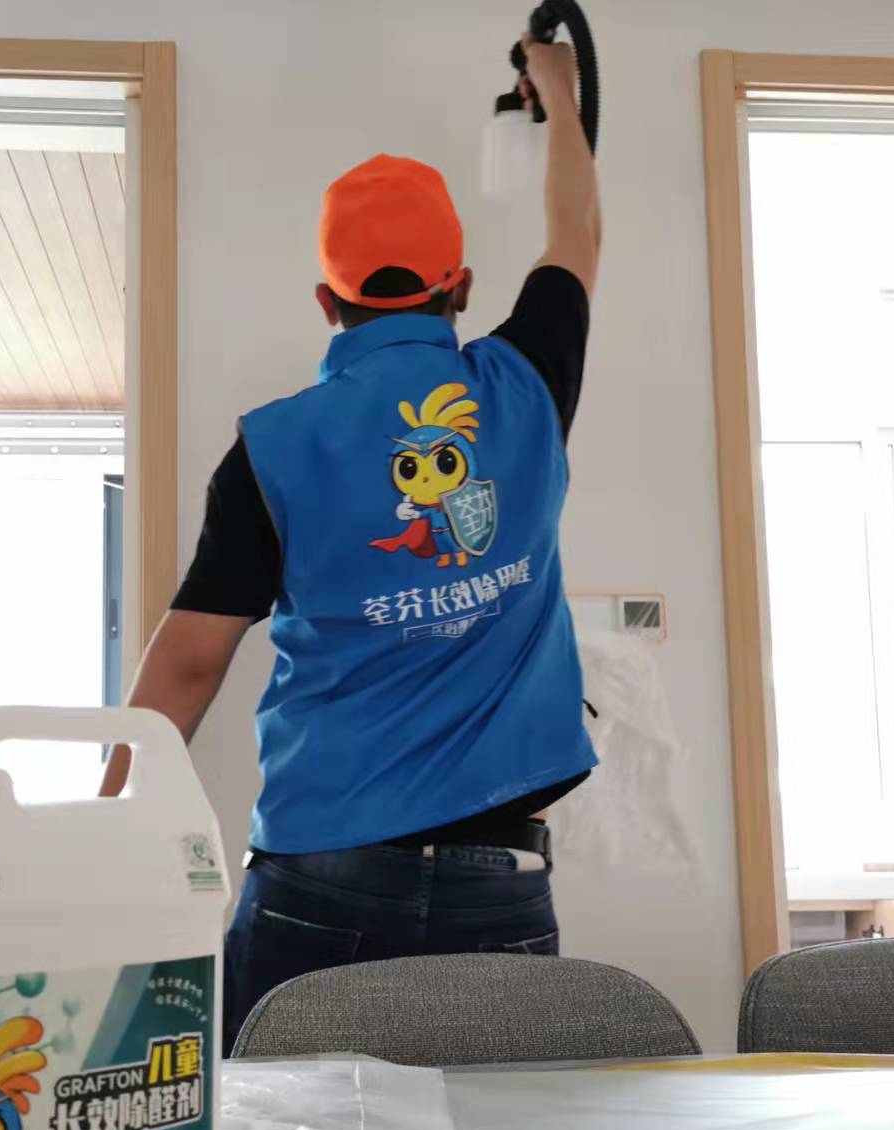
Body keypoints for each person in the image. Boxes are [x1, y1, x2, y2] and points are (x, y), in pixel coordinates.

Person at [102, 39, 600, 1053]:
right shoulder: (526, 383)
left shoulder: (271, 447)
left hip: (318, 875)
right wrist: (558, 94)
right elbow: (575, 234)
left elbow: (190, 659)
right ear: (460, 286)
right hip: (498, 881)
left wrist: (107, 810)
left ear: (327, 303)